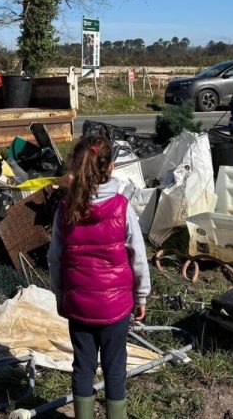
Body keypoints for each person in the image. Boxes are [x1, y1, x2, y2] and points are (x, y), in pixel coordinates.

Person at [47, 135, 151, 419]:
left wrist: (60, 296)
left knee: (82, 366)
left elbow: (55, 258)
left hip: (78, 305)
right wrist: (141, 296)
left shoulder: (65, 209)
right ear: (111, 168)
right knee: (115, 368)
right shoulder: (122, 207)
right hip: (116, 307)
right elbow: (138, 258)